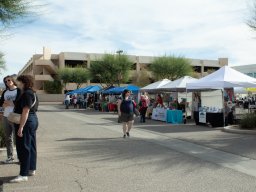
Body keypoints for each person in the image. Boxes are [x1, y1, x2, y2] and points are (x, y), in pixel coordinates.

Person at [10, 75, 39, 183]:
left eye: (19, 82)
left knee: (24, 148)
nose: (17, 84)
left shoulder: (27, 93)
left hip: (26, 122)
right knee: (31, 146)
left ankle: (23, 174)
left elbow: (25, 111)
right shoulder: (32, 92)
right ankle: (31, 169)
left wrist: (21, 127)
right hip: (32, 120)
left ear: (24, 82)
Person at [0, 75, 21, 163]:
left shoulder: (18, 90)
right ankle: (10, 157)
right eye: (5, 81)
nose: (7, 82)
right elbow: (1, 103)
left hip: (15, 116)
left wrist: (10, 103)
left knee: (18, 138)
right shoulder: (5, 92)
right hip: (6, 116)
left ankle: (20, 158)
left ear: (13, 80)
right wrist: (8, 103)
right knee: (8, 138)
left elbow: (19, 102)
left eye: (9, 80)